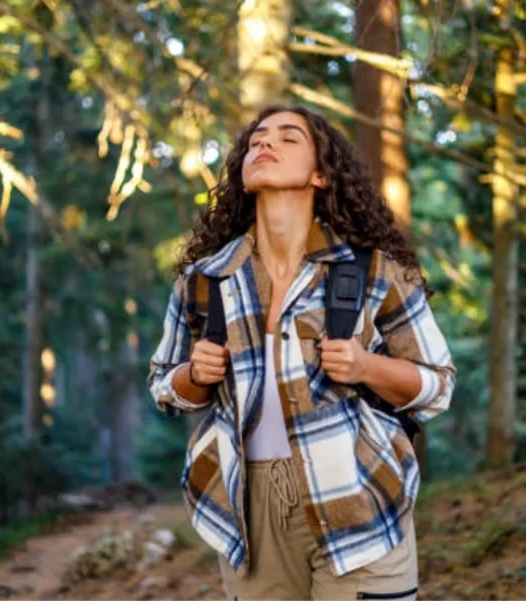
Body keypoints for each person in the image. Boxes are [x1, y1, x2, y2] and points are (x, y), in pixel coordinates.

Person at [148, 105, 455, 601]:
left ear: (320, 174)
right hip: (248, 507)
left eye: (288, 137)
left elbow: (438, 384)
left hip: (357, 490)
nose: (264, 144)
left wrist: (365, 365)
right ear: (244, 177)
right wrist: (194, 375)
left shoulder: (374, 271)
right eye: (256, 140)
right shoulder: (205, 280)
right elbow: (165, 387)